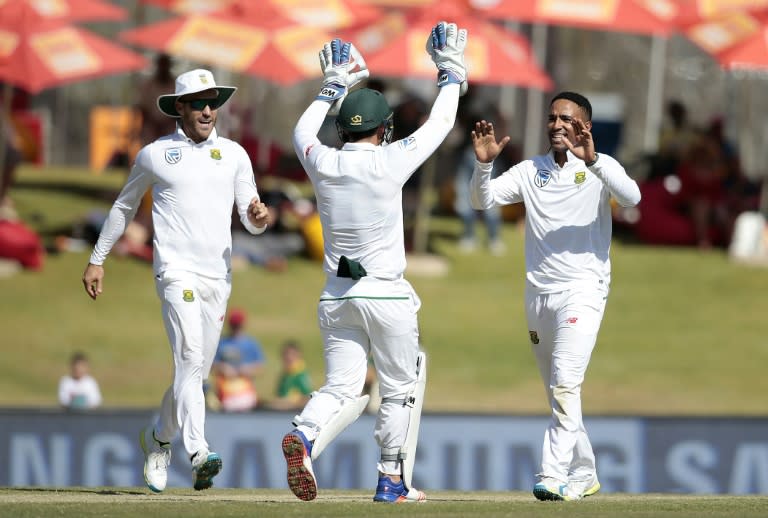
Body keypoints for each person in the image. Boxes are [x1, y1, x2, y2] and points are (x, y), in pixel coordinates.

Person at [281, 22, 467, 503]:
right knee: (404, 383)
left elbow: (301, 130)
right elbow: (441, 125)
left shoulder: (321, 160)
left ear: (342, 129)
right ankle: (391, 480)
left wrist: (333, 85)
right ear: (385, 131)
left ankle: (304, 435)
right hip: (385, 293)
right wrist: (449, 71)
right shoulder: (390, 160)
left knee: (342, 386)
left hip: (336, 296)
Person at [81, 69, 271, 493]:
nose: (208, 109)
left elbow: (250, 216)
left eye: (213, 101)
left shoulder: (236, 155)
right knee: (187, 356)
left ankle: (158, 438)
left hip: (218, 276)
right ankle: (199, 451)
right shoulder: (155, 154)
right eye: (199, 102)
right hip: (175, 271)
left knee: (195, 372)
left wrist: (259, 219)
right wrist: (98, 259)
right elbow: (122, 208)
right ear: (179, 107)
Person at [469, 91, 641, 501]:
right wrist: (483, 164)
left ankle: (552, 475)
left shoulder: (600, 166)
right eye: (553, 118)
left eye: (567, 118)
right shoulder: (532, 170)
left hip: (583, 290)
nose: (558, 125)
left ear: (585, 125)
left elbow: (634, 198)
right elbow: (482, 200)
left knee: (566, 383)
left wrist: (595, 160)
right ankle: (585, 473)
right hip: (537, 296)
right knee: (559, 393)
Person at [210, 308, 265, 412]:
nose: (236, 329)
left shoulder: (251, 344)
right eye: (234, 326)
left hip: (245, 392)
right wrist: (223, 368)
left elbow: (260, 368)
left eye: (238, 326)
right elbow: (210, 365)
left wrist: (246, 369)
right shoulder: (221, 343)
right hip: (224, 393)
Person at [268, 339, 313, 411]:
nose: (288, 357)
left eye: (292, 354)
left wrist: (287, 404)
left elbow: (307, 399)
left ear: (299, 355)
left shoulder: (300, 375)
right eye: (285, 354)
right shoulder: (284, 375)